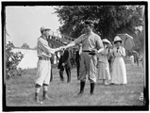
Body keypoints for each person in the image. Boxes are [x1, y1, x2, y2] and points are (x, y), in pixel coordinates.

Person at [64, 20, 104, 95]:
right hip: (83, 55)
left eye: (86, 26)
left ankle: (92, 92)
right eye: (84, 26)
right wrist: (66, 46)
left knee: (92, 74)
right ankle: (81, 92)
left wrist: (97, 51)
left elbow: (102, 48)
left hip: (91, 55)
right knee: (82, 74)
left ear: (91, 27)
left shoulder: (96, 37)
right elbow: (74, 42)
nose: (85, 28)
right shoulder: (83, 36)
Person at [35, 26, 63, 104]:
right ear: (43, 32)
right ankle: (36, 97)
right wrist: (59, 48)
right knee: (40, 78)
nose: (48, 32)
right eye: (47, 31)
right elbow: (49, 50)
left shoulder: (45, 40)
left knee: (46, 79)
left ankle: (45, 96)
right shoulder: (41, 40)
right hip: (42, 61)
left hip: (47, 61)